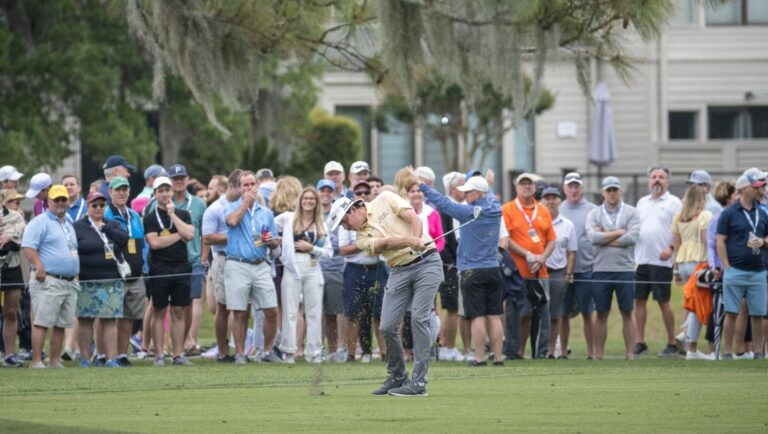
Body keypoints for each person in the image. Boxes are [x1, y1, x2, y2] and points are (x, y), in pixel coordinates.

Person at [329, 188, 442, 397]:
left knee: (418, 318)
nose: (345, 227)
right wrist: (410, 241)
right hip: (398, 270)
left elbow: (413, 218)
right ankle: (398, 376)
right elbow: (384, 244)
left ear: (353, 210)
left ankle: (418, 383)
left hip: (427, 262)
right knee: (387, 325)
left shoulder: (385, 198)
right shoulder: (361, 239)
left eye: (344, 222)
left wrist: (417, 238)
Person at [414, 167, 504, 366]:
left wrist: (422, 186)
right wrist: (488, 185)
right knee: (494, 315)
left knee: (478, 316)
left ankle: (479, 358)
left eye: (469, 191)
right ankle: (498, 358)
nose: (464, 194)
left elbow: (442, 203)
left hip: (472, 270)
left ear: (477, 193)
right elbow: (490, 197)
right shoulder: (495, 207)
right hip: (493, 268)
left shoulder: (468, 212)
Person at [224, 171, 281, 364]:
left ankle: (266, 351)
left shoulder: (266, 213)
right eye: (245, 185)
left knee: (272, 310)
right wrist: (244, 204)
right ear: (239, 188)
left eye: (252, 184)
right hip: (237, 263)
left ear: (257, 186)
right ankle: (240, 353)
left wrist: (274, 243)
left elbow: (273, 243)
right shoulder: (231, 207)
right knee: (240, 312)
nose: (249, 188)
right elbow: (232, 221)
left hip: (260, 264)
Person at [21, 185, 80, 368]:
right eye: (57, 200)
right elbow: (28, 246)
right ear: (48, 201)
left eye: (64, 199)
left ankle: (54, 361)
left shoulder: (68, 224)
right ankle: (36, 361)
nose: (61, 203)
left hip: (69, 281)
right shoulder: (40, 222)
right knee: (42, 322)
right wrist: (39, 266)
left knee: (61, 323)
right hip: (48, 280)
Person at [502, 173, 556, 359]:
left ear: (534, 187)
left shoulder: (542, 210)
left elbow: (551, 240)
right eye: (523, 184)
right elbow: (506, 240)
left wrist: (541, 258)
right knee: (515, 313)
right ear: (516, 188)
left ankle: (541, 353)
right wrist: (528, 255)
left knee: (543, 312)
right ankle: (512, 351)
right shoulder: (508, 209)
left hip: (539, 271)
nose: (527, 187)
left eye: (530, 184)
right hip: (517, 272)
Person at [275, 187, 332, 364]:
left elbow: (329, 252)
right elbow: (270, 225)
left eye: (312, 199)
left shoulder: (321, 224)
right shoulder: (288, 218)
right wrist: (277, 241)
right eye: (305, 198)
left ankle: (314, 352)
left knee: (314, 311)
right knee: (290, 310)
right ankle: (289, 351)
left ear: (316, 203)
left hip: (313, 265)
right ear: (300, 201)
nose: (308, 201)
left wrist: (312, 248)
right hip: (292, 266)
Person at [586, 176, 641, 360]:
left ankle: (630, 354)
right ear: (603, 192)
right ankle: (599, 354)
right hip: (601, 269)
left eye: (615, 190)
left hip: (625, 269)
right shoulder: (594, 214)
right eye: (608, 190)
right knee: (601, 312)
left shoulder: (631, 212)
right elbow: (593, 239)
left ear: (620, 191)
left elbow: (632, 238)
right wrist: (618, 232)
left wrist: (605, 236)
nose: (612, 193)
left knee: (627, 311)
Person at [73, 192, 129, 368]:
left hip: (110, 280)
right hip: (86, 280)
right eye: (94, 205)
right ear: (88, 206)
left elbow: (124, 241)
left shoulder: (112, 224)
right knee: (85, 320)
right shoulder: (78, 226)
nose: (98, 208)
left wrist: (107, 229)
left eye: (101, 205)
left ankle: (111, 359)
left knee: (110, 320)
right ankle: (84, 358)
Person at [143, 176, 195, 366]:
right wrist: (178, 235)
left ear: (172, 192)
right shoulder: (149, 217)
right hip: (159, 267)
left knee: (179, 311)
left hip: (181, 266)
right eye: (161, 191)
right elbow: (155, 243)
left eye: (168, 190)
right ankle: (159, 354)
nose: (165, 194)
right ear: (155, 194)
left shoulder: (183, 214)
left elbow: (189, 234)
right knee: (158, 310)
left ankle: (177, 354)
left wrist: (173, 216)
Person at [716, 173, 768, 360]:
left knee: (758, 313)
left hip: (758, 271)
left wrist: (762, 242)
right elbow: (720, 241)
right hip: (735, 270)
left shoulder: (762, 212)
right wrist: (726, 267)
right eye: (756, 187)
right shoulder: (729, 213)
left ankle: (758, 351)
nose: (760, 189)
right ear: (745, 189)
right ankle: (728, 352)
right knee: (731, 312)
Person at [633, 165, 682, 357]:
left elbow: (679, 230)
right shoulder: (642, 202)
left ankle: (671, 343)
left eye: (661, 177)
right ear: (649, 181)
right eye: (654, 177)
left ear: (667, 182)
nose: (657, 180)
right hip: (641, 260)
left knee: (663, 302)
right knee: (639, 302)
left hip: (661, 262)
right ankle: (639, 341)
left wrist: (670, 249)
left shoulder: (674, 203)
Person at [338, 180, 389, 363]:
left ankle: (384, 354)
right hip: (354, 270)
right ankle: (352, 355)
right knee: (353, 313)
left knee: (379, 313)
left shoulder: (378, 216)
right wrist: (365, 243)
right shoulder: (347, 218)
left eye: (365, 191)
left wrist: (367, 243)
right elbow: (343, 249)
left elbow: (384, 242)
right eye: (358, 192)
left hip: (377, 269)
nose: (362, 194)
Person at [105, 176, 147, 366]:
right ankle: (106, 355)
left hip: (135, 274)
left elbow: (141, 244)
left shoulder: (134, 216)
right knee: (109, 316)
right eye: (117, 189)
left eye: (124, 189)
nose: (121, 192)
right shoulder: (105, 213)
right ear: (110, 192)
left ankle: (122, 354)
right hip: (114, 274)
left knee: (129, 316)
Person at [167, 164, 208, 356]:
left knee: (189, 305)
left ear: (188, 179)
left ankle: (183, 344)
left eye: (182, 178)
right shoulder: (162, 201)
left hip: (192, 260)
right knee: (169, 305)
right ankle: (168, 346)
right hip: (168, 260)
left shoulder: (199, 204)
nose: (179, 181)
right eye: (175, 178)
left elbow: (205, 234)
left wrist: (203, 258)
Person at [202, 169, 242, 363]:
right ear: (233, 186)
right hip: (223, 259)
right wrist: (233, 237)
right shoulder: (216, 208)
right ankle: (223, 351)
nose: (247, 190)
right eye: (244, 186)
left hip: (244, 260)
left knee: (242, 308)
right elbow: (208, 237)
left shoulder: (246, 205)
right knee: (223, 307)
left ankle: (240, 351)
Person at [559, 172, 597, 359]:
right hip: (562, 270)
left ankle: (591, 352)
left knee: (587, 312)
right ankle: (563, 350)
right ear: (565, 189)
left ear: (581, 188)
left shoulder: (592, 209)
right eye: (570, 186)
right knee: (563, 313)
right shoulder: (559, 208)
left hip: (586, 268)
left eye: (576, 186)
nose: (573, 190)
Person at [671, 184, 712, 359]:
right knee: (698, 305)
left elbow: (676, 245)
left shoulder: (678, 217)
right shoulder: (705, 215)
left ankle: (689, 342)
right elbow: (705, 241)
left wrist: (675, 270)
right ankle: (688, 339)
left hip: (683, 262)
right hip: (699, 262)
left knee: (692, 303)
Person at [541, 186, 577, 358]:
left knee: (556, 314)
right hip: (538, 273)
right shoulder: (536, 222)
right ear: (541, 201)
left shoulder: (567, 224)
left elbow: (571, 253)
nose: (550, 201)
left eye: (553, 198)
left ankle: (550, 350)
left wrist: (568, 273)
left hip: (557, 272)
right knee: (537, 313)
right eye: (546, 198)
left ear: (559, 201)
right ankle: (537, 349)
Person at [435, 171, 466, 362]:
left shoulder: (455, 207)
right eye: (462, 186)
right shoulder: (445, 208)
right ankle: (448, 347)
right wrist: (451, 261)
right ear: (454, 189)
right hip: (449, 265)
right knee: (452, 308)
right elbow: (443, 239)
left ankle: (447, 346)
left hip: (453, 263)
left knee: (453, 307)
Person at [316, 179, 347, 362]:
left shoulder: (337, 214)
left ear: (334, 194)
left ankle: (337, 349)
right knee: (318, 313)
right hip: (316, 269)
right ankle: (321, 348)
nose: (326, 194)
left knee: (335, 312)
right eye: (322, 190)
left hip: (335, 268)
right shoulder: (313, 215)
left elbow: (338, 242)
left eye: (329, 191)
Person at [0, 188, 26, 367]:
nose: (17, 205)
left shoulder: (16, 217)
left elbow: (21, 238)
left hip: (11, 268)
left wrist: (8, 236)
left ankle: (9, 355)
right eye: (14, 201)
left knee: (10, 312)